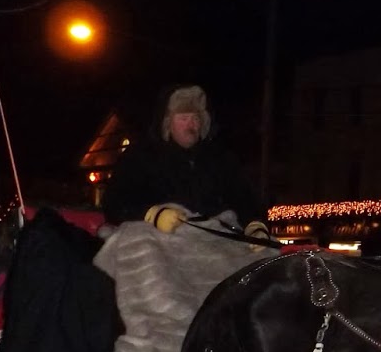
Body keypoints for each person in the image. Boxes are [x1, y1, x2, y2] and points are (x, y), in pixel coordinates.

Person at [102, 84, 268, 239]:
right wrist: (151, 214)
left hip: (215, 238)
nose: (191, 124)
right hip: (157, 237)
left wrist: (254, 224)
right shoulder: (141, 156)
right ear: (167, 123)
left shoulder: (220, 158)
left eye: (196, 118)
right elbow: (114, 200)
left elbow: (242, 195)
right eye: (183, 118)